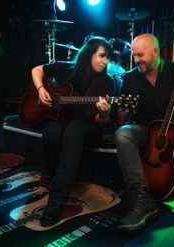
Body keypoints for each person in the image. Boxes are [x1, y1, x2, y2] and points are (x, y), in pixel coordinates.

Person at [114, 33, 174, 232]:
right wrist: (114, 108)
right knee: (122, 133)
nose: (137, 60)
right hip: (146, 129)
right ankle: (141, 198)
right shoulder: (131, 77)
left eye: (141, 55)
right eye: (135, 55)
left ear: (155, 52)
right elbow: (120, 120)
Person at [31, 36, 114, 227]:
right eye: (102, 55)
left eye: (107, 57)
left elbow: (99, 121)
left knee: (74, 129)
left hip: (88, 127)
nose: (105, 61)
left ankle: (56, 201)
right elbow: (36, 70)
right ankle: (49, 168)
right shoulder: (67, 69)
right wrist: (41, 89)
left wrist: (103, 113)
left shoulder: (107, 82)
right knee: (51, 131)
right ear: (88, 55)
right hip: (63, 122)